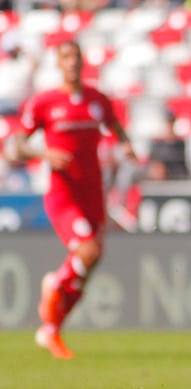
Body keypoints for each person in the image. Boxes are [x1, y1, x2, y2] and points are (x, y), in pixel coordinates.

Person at [9, 40, 135, 359]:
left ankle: (51, 330)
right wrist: (44, 153)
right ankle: (53, 288)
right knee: (87, 251)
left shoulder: (97, 100)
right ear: (58, 63)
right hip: (63, 195)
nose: (73, 63)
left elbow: (116, 127)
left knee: (90, 264)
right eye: (66, 57)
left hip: (93, 193)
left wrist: (126, 146)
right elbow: (17, 146)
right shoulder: (44, 103)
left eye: (77, 57)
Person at [146, 110, 190, 180]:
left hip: (174, 178)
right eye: (167, 122)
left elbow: (181, 167)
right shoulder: (157, 143)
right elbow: (152, 164)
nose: (169, 125)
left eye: (171, 122)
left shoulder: (179, 144)